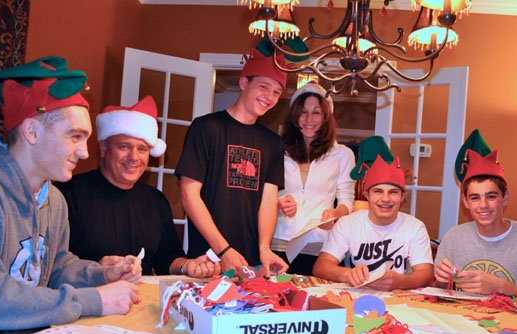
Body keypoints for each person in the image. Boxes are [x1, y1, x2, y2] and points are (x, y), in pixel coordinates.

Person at [0, 57, 140, 334]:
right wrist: (93, 299)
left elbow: (56, 265)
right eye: (75, 136)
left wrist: (99, 273)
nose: (86, 152)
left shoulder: (54, 199)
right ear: (31, 131)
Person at [57, 96, 218, 278]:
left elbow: (167, 258)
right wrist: (95, 271)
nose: (134, 157)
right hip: (87, 302)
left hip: (141, 303)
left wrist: (187, 265)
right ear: (103, 149)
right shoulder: (68, 194)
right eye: (124, 146)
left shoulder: (156, 201)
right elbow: (54, 266)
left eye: (142, 149)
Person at [175, 48, 288, 276]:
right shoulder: (205, 128)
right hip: (208, 261)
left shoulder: (273, 143)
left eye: (277, 92)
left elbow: (268, 200)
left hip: (253, 263)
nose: (270, 97)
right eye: (263, 87)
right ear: (244, 83)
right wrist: (223, 250)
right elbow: (189, 194)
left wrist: (264, 248)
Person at [434, 129, 517, 295]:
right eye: (475, 198)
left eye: (491, 196)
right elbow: (439, 290)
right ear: (465, 202)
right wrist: (441, 280)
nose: (483, 205)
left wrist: (502, 287)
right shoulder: (453, 237)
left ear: (505, 197)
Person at [313, 148, 433, 291]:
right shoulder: (348, 224)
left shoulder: (415, 227)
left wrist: (400, 282)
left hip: (397, 300)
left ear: (402, 197)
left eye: (393, 192)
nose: (386, 199)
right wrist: (349, 274)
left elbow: (426, 274)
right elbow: (321, 266)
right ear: (367, 195)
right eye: (378, 191)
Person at [272, 82, 355, 275]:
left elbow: (346, 201)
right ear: (294, 116)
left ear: (326, 116)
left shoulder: (343, 155)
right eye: (303, 112)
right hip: (278, 242)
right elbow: (262, 194)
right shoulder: (276, 150)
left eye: (316, 112)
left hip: (318, 245)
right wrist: (278, 202)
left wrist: (335, 214)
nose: (309, 119)